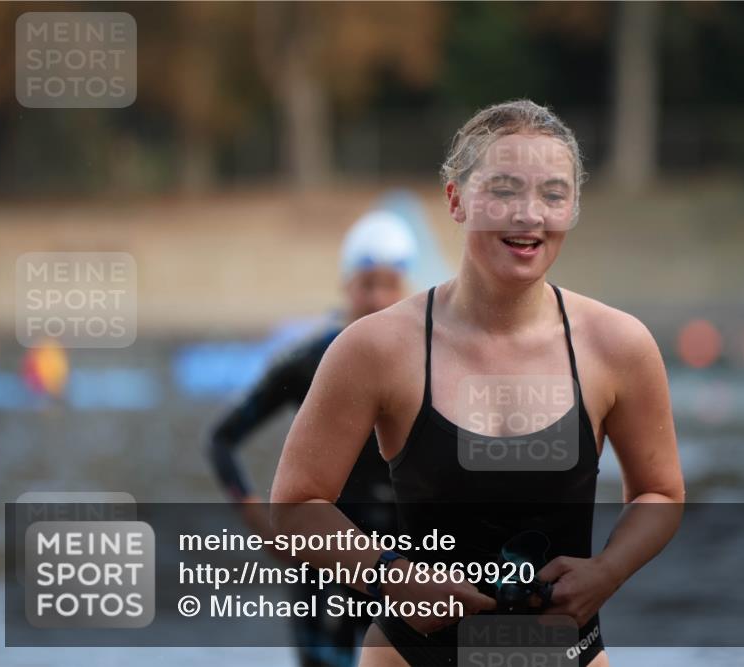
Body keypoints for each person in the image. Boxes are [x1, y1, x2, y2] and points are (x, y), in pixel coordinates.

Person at [272, 99, 685, 667]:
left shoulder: (617, 346)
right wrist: (388, 577)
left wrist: (607, 572)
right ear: (456, 200)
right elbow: (295, 505)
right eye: (504, 190)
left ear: (573, 208)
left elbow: (659, 493)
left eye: (553, 194)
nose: (529, 215)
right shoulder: (376, 347)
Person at [207, 209, 418, 667]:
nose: (377, 298)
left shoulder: (430, 365)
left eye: (389, 284)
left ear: (407, 287)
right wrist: (262, 525)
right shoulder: (310, 361)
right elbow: (222, 440)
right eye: (367, 284)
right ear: (347, 286)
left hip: (402, 565)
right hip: (324, 564)